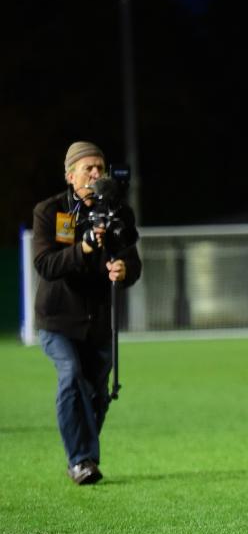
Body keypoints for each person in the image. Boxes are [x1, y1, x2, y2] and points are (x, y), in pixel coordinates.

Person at [33, 141, 142, 485]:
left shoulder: (119, 212)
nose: (96, 174)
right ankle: (80, 460)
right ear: (70, 176)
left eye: (101, 168)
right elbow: (45, 264)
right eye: (88, 168)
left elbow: (133, 263)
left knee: (97, 393)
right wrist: (82, 248)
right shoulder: (50, 212)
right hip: (58, 320)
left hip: (99, 323)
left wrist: (124, 270)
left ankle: (87, 459)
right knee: (71, 375)